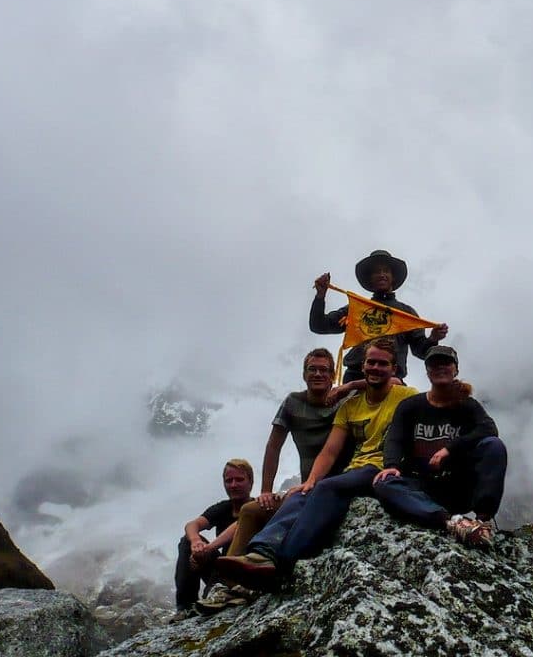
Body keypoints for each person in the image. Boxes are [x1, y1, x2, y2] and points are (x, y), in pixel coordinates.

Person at [216, 338, 418, 589]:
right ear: (304, 374)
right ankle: (232, 581)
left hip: (355, 476)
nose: (318, 374)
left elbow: (395, 386)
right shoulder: (304, 403)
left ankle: (279, 562)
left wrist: (347, 387)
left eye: (324, 370)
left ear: (335, 375)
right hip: (327, 478)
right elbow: (292, 447)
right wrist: (278, 488)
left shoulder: (352, 398)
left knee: (315, 492)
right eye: (312, 369)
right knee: (253, 510)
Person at [373, 346, 507, 546]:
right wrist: (391, 465)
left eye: (446, 363)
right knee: (384, 483)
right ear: (427, 371)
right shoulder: (410, 406)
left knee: (494, 446)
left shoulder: (467, 405)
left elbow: (489, 429)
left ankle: (483, 520)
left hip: (458, 487)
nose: (440, 368)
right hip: (422, 487)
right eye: (434, 364)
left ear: (456, 370)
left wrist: (450, 449)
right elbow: (395, 439)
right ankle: (452, 523)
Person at [310, 249, 448, 381]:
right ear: (370, 279)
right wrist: (320, 296)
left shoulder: (406, 313)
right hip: (355, 378)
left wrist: (433, 338)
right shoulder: (356, 309)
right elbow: (318, 325)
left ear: (392, 277)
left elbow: (422, 351)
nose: (382, 274)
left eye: (386, 271)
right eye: (377, 272)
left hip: (392, 382)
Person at [173, 458, 253, 612]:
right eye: (229, 481)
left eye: (239, 480)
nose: (233, 485)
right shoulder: (223, 508)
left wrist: (207, 549)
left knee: (211, 599)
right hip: (222, 567)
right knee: (186, 542)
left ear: (250, 482)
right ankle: (184, 607)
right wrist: (196, 543)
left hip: (245, 567)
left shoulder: (256, 509)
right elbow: (192, 525)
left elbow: (240, 526)